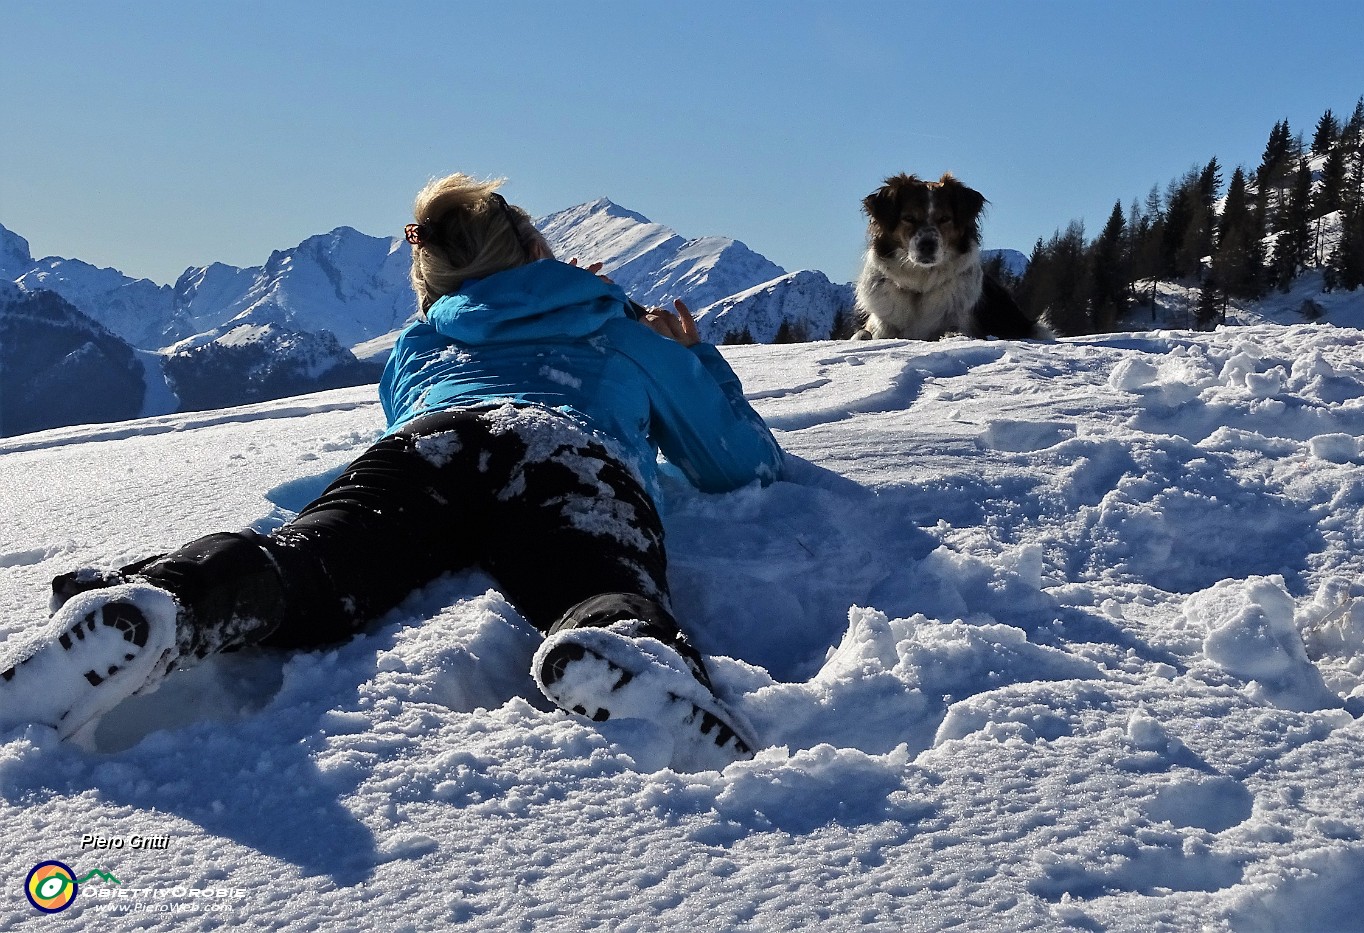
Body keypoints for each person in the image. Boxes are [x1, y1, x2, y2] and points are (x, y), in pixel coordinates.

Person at [0, 174, 784, 768]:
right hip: (561, 447)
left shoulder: (418, 347)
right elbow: (736, 463)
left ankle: (174, 599)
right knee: (590, 571)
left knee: (309, 564)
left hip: (425, 451)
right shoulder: (616, 326)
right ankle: (620, 644)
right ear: (535, 250)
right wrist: (688, 356)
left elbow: (421, 403)